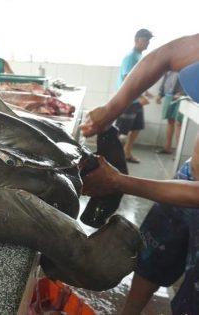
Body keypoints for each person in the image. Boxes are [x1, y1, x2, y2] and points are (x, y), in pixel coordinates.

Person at [80, 33, 199, 315]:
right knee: (151, 256)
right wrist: (112, 109)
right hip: (188, 177)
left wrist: (120, 182)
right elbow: (163, 56)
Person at [114, 28, 153, 164]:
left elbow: (138, 78)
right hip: (128, 99)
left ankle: (126, 152)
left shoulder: (139, 56)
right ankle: (109, 156)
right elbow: (127, 79)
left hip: (135, 99)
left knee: (137, 127)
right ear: (136, 40)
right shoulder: (131, 56)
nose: (147, 43)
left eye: (149, 41)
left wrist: (145, 91)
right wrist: (140, 95)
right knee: (119, 130)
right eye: (145, 40)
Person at [155, 71, 184, 154]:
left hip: (182, 97)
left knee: (179, 123)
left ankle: (179, 153)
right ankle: (167, 147)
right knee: (170, 121)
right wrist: (160, 94)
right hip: (169, 95)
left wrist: (183, 93)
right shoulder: (171, 63)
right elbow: (165, 78)